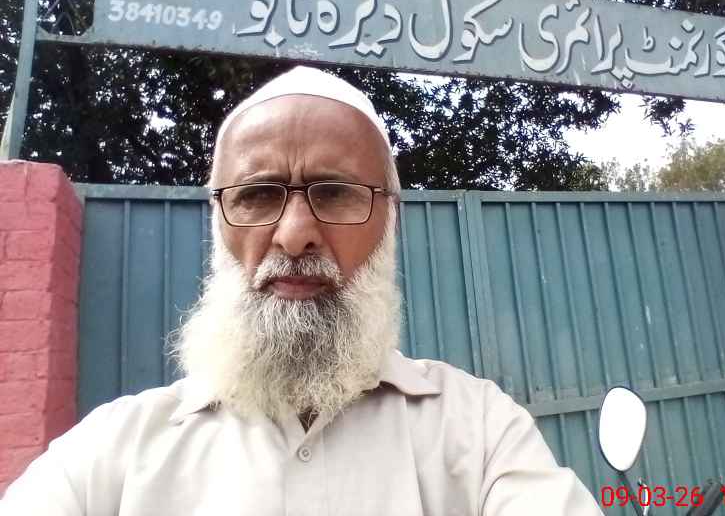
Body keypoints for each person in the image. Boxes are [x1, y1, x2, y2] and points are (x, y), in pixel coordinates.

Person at [1, 66, 603, 515]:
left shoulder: (478, 430)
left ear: (389, 223)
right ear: (218, 226)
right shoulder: (113, 452)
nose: (293, 235)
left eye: (336, 193)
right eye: (257, 195)